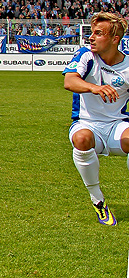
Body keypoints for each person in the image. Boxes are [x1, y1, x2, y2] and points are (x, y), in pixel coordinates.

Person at [64, 12, 129, 226]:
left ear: (114, 39)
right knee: (81, 139)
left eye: (98, 33)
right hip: (87, 123)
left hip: (117, 127)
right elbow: (70, 81)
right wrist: (95, 87)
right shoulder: (86, 55)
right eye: (92, 32)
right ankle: (98, 201)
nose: (91, 37)